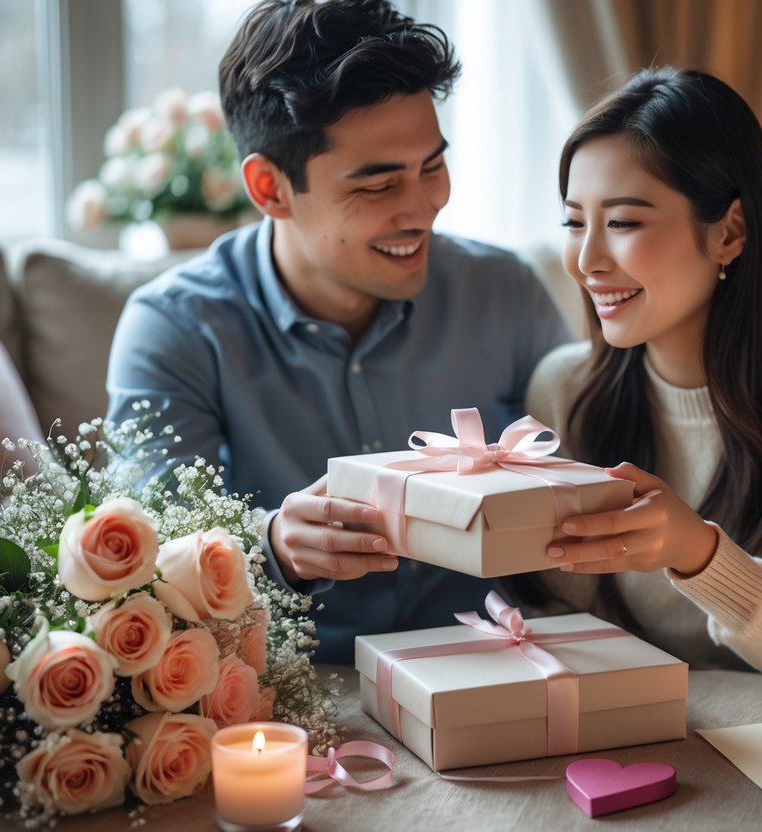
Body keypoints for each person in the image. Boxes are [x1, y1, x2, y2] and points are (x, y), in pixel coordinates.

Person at [105, 0, 572, 664]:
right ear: (269, 187)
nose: (424, 208)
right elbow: (153, 544)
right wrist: (272, 543)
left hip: (491, 661)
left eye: (432, 166)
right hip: (295, 680)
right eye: (378, 185)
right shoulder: (175, 327)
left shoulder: (505, 291)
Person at [520, 67, 762, 690]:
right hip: (633, 728)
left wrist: (697, 551)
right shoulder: (564, 389)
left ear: (729, 232)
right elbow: (556, 624)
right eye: (574, 222)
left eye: (622, 223)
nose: (587, 260)